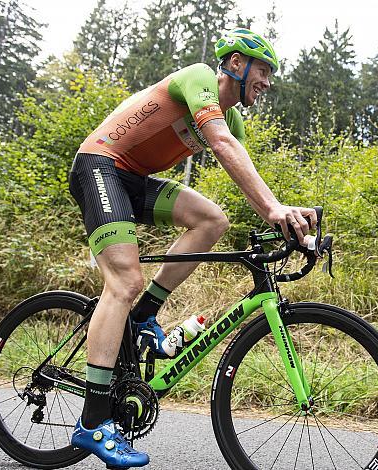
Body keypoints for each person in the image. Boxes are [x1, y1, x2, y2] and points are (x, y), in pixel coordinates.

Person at [68, 28, 317, 468]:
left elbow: (240, 167)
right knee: (124, 281)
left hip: (134, 182)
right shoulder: (200, 77)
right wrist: (274, 209)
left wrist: (282, 216)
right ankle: (92, 422)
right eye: (262, 70)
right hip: (101, 166)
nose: (268, 81)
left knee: (212, 220)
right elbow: (220, 144)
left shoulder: (233, 119)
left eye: (271, 75)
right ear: (235, 65)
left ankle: (145, 316)